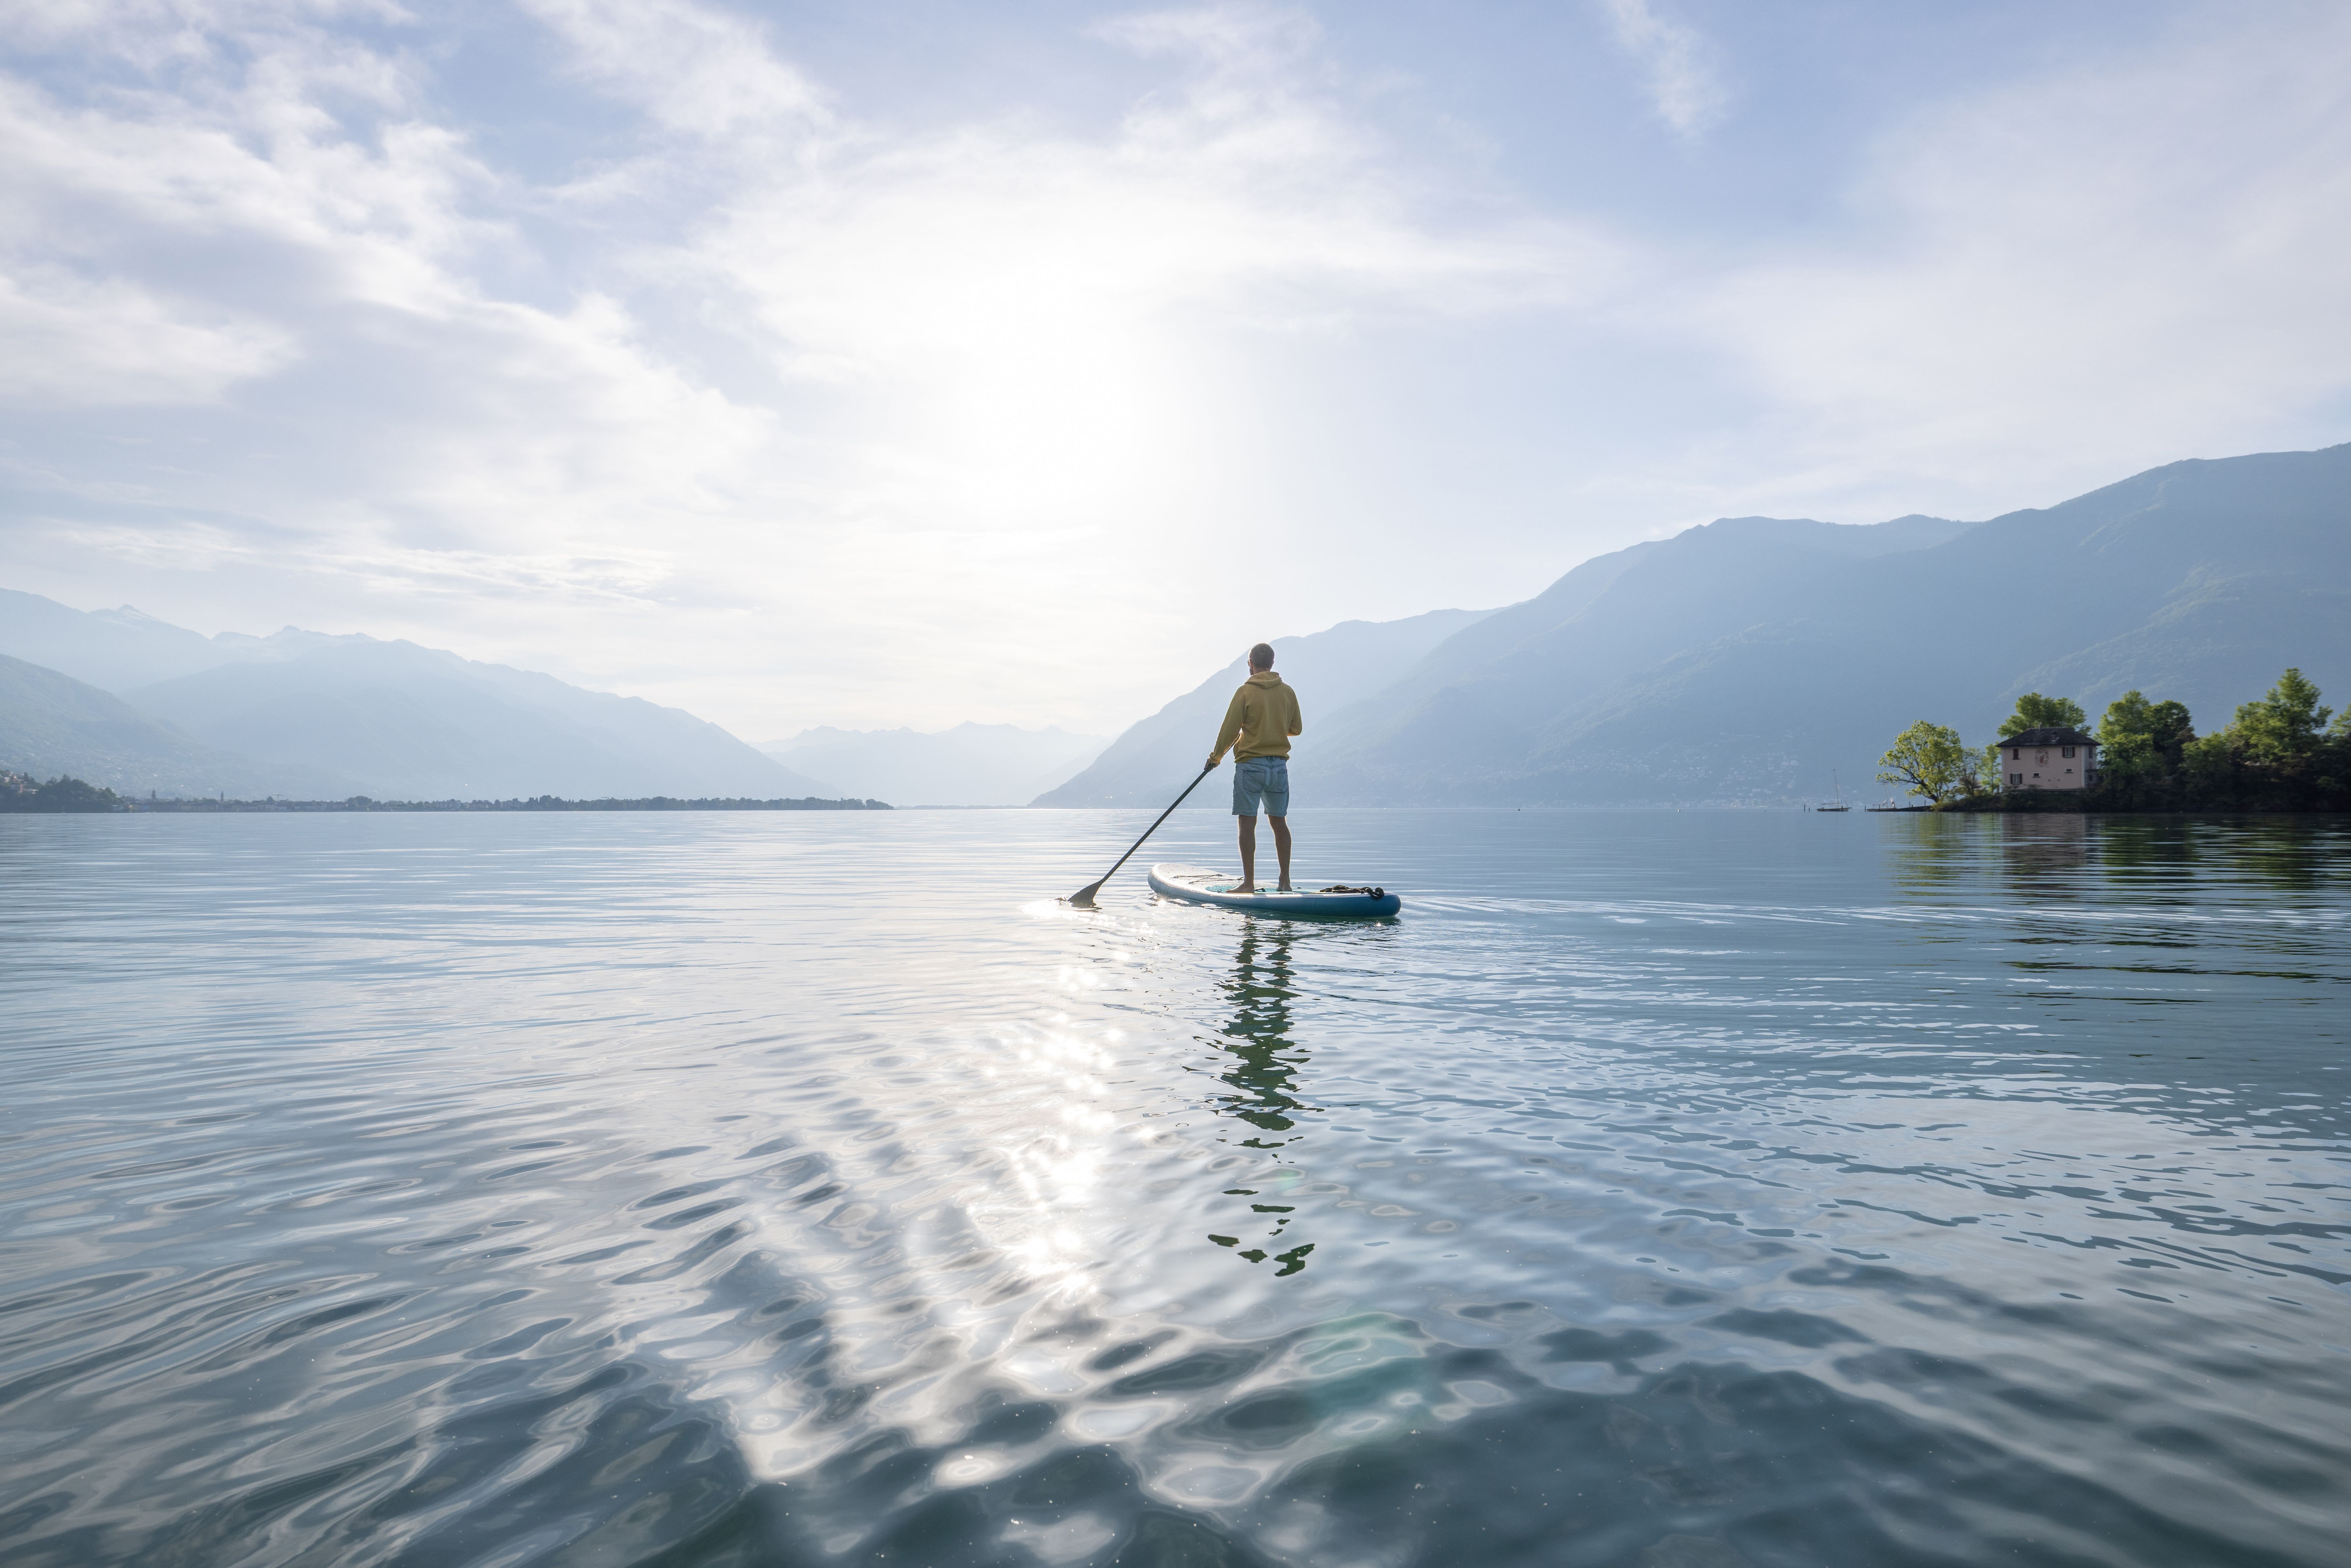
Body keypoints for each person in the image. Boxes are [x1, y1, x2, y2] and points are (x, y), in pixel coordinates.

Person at [1206, 642, 1303, 892]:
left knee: (1247, 824)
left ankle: (1248, 883)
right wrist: (1273, 728)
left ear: (1250, 664)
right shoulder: (1288, 692)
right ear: (1272, 663)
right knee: (1279, 823)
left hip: (1250, 767)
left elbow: (1230, 730)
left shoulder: (1245, 692)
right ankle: (1285, 881)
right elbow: (1296, 729)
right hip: (1279, 768)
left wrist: (1216, 758)